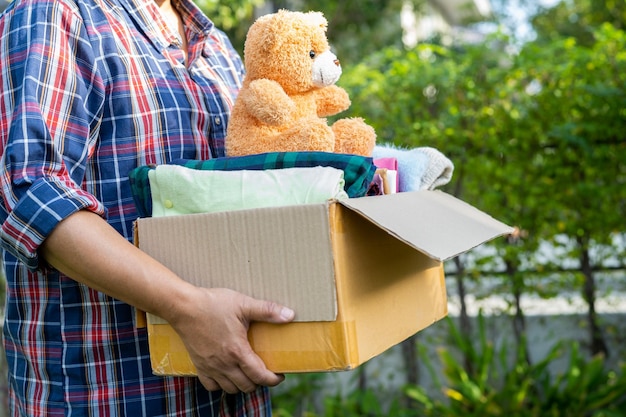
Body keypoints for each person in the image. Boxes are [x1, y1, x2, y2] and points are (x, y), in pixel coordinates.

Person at [0, 0, 296, 414]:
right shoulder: (55, 11)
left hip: (232, 394)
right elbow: (34, 195)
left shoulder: (220, 49)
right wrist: (187, 308)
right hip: (109, 393)